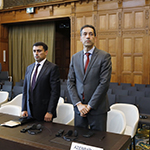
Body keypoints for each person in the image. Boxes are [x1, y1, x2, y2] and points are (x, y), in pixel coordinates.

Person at [67, 25, 112, 131]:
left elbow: (104, 83)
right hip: (79, 108)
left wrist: (89, 106)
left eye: (91, 34)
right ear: (81, 38)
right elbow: (70, 82)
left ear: (95, 38)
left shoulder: (104, 56)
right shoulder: (75, 57)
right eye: (85, 34)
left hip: (97, 108)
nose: (88, 37)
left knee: (98, 142)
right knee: (79, 139)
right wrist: (78, 104)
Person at [22, 42, 60, 122]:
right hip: (29, 111)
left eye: (39, 51)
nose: (36, 53)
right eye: (34, 51)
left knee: (44, 134)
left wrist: (50, 111)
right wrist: (24, 108)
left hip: (44, 112)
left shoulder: (52, 68)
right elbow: (25, 90)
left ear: (46, 52)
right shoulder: (29, 68)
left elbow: (55, 92)